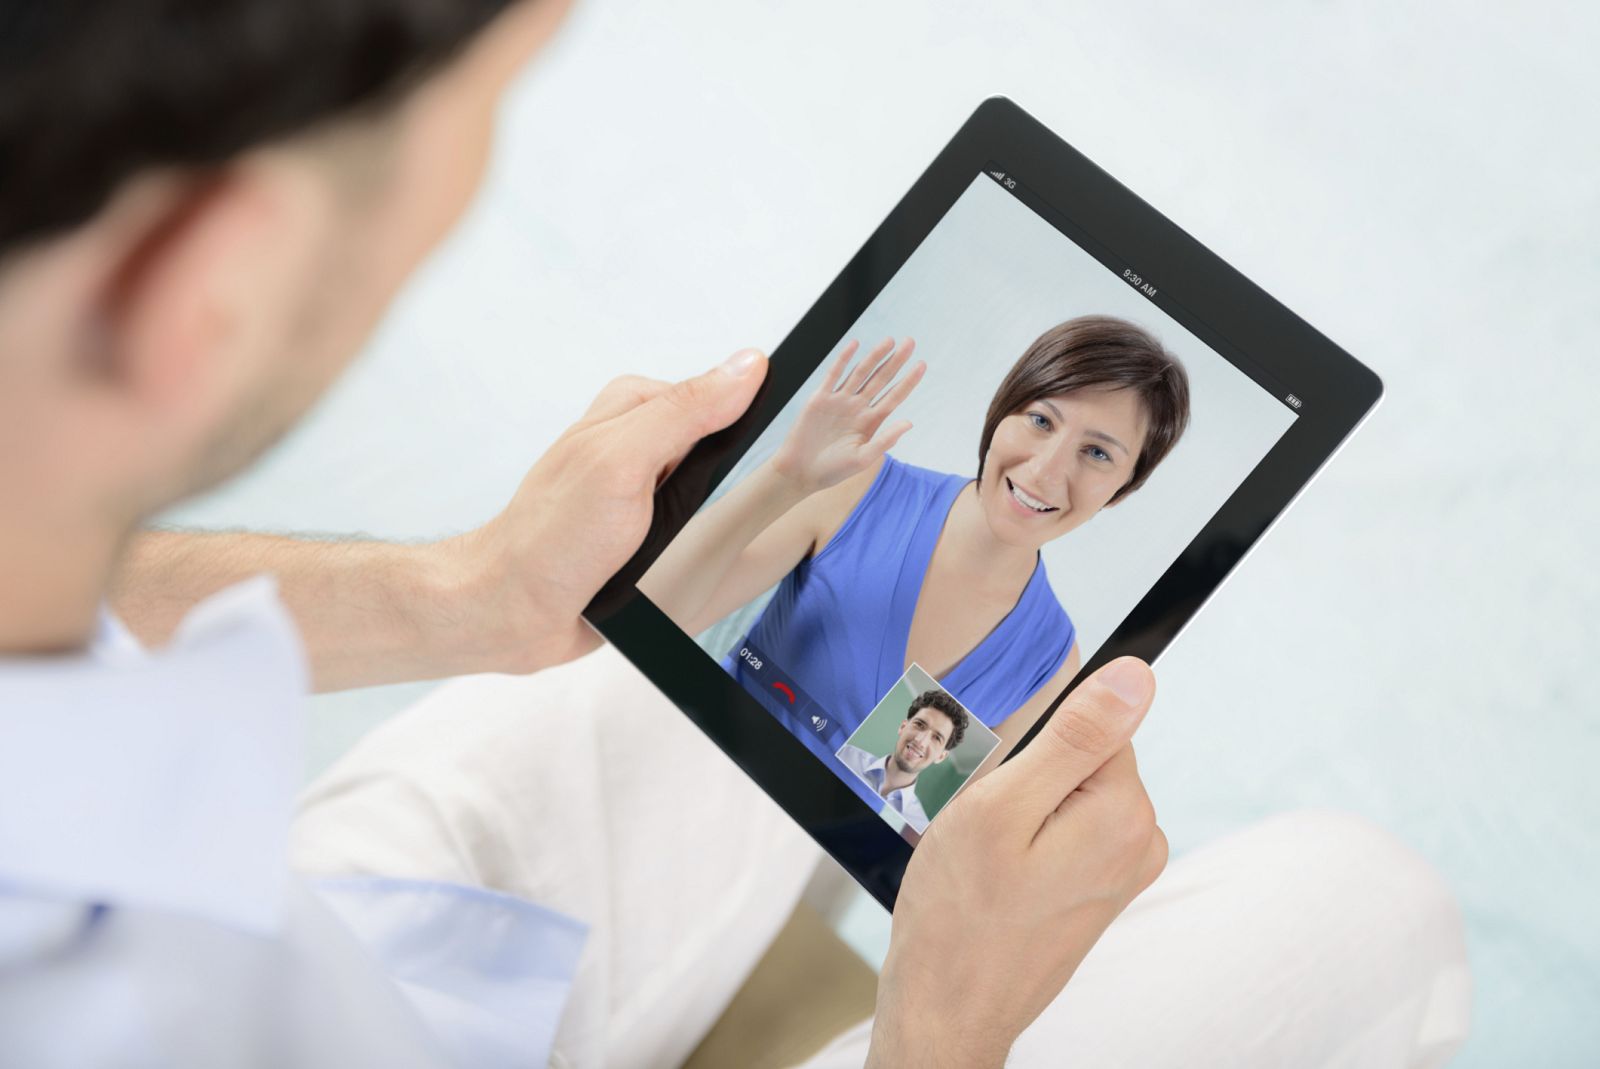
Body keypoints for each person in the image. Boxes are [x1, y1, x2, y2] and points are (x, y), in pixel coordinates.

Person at [0, 1, 1472, 1066]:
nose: (1053, 463)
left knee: (693, 699)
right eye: (477, 124)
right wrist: (939, 1033)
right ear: (201, 282)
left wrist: (470, 594)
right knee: (1362, 903)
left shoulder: (1042, 640)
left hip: (349, 949)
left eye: (1101, 454)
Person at [640, 318, 1190, 806]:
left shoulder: (1052, 665)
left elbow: (922, 839)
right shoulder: (856, 488)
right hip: (671, 778)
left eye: (1097, 453)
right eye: (1041, 420)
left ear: (1123, 488)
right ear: (1002, 413)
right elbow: (651, 616)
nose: (1045, 470)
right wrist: (785, 479)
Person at [837, 689, 970, 833]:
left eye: (936, 738)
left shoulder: (918, 828)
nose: (921, 741)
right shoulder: (845, 755)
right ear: (902, 727)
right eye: (919, 724)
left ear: (941, 757)